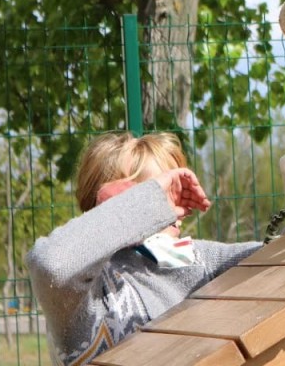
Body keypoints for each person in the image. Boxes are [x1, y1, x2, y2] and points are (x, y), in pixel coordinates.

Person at [25, 131, 263, 366]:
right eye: (159, 191)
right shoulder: (92, 293)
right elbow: (51, 266)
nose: (171, 206)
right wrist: (143, 207)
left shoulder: (196, 259)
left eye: (175, 190)